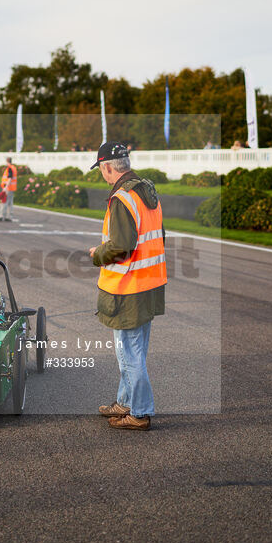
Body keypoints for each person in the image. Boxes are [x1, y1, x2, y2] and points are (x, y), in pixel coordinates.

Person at [88, 141, 166, 430]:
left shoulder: (122, 198)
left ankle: (140, 412)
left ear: (108, 167)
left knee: (129, 354)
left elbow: (121, 246)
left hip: (128, 287)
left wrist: (98, 254)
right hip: (149, 283)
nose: (103, 174)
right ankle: (125, 402)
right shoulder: (146, 192)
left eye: (101, 170)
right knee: (135, 351)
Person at [0, 156, 17, 221]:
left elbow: (10, 178)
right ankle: (9, 217)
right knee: (10, 203)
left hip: (8, 188)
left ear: (7, 161)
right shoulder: (14, 168)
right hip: (12, 188)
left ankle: (1, 216)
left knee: (4, 202)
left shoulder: (9, 168)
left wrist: (6, 187)